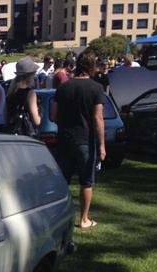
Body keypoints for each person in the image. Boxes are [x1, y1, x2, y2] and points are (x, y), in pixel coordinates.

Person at [53, 48, 105, 229]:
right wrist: (102, 145)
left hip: (65, 139)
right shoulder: (96, 88)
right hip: (85, 140)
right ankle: (84, 219)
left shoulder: (64, 87)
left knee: (62, 182)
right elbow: (97, 119)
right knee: (86, 182)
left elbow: (54, 116)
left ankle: (60, 217)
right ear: (92, 66)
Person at [4, 56, 41, 134]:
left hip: (10, 132)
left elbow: (5, 117)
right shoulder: (30, 94)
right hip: (24, 134)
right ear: (31, 74)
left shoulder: (10, 92)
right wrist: (41, 114)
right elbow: (36, 121)